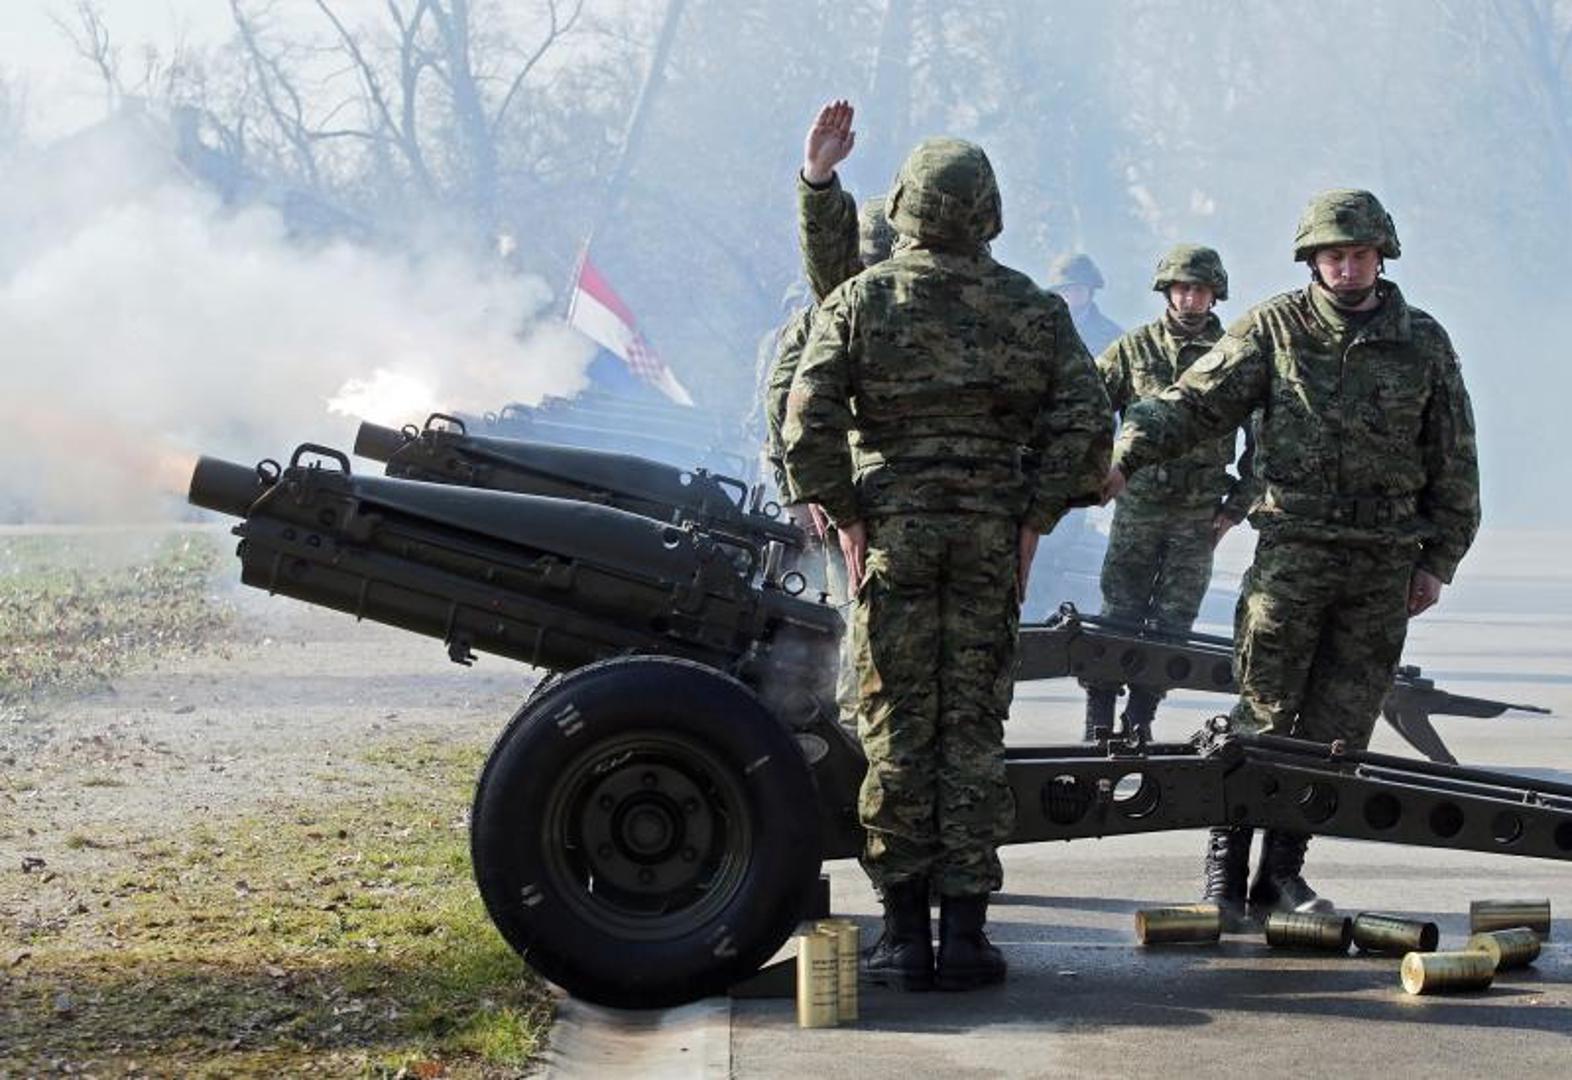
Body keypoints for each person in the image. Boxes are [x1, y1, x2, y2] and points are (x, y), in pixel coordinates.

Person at [784, 137, 1113, 990]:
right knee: (972, 727)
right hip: (988, 539)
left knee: (896, 725)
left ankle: (902, 934)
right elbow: (1088, 423)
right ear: (989, 212)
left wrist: (847, 513)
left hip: (893, 536)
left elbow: (806, 418)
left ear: (904, 208)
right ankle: (966, 934)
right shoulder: (1033, 308)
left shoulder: (861, 298)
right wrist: (1036, 515)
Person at [1101, 190, 1480, 929]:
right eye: (1334, 255)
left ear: (1382, 257)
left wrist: (1441, 557)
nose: (1347, 268)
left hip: (1381, 566)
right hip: (1293, 554)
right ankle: (1224, 871)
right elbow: (1194, 403)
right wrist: (1125, 454)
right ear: (1313, 259)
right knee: (1263, 718)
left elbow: (1454, 456)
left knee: (1338, 732)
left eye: (1360, 254)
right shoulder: (1273, 328)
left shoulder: (1423, 341)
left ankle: (1281, 873)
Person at [1084, 244, 1256, 741]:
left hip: (1198, 514)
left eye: (1200, 290)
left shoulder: (1235, 356)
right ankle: (1099, 718)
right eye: (1182, 288)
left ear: (1215, 294)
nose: (1190, 299)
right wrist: (1098, 472)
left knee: (1173, 621)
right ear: (1167, 291)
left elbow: (1264, 440)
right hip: (1138, 506)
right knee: (1119, 613)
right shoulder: (1133, 349)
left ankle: (1141, 718)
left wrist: (1236, 508)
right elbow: (1089, 408)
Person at [762, 99, 895, 729]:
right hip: (840, 494)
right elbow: (783, 400)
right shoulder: (823, 316)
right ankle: (850, 729)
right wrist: (801, 490)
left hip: (886, 493)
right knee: (854, 614)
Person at [1045, 252, 1124, 357]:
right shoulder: (1037, 328)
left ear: (1090, 292)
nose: (1071, 296)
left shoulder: (1112, 336)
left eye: (1078, 289)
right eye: (1065, 290)